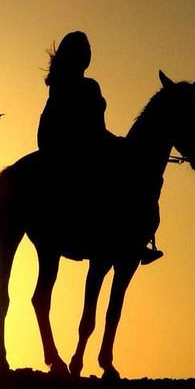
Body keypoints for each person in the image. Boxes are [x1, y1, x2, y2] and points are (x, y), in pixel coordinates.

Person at [37, 31, 163, 265]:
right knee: (129, 172)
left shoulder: (58, 83)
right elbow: (92, 128)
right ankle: (130, 235)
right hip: (76, 144)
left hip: (52, 141)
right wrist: (117, 142)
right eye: (86, 51)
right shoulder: (86, 86)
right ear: (82, 57)